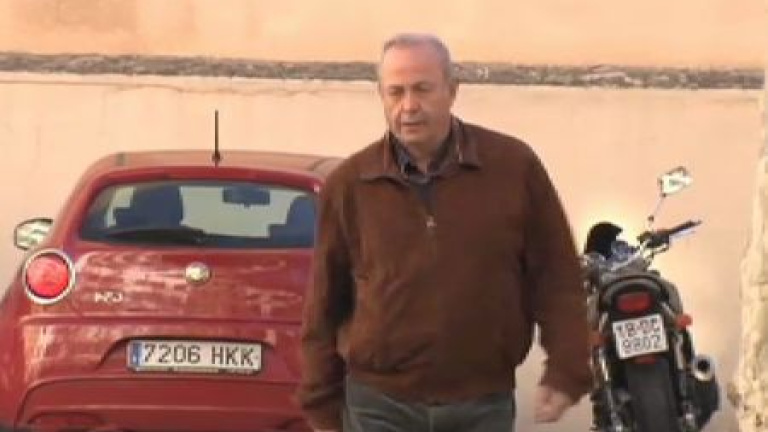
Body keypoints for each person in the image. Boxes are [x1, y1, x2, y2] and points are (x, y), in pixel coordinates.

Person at [297, 32, 591, 432]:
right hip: (379, 405)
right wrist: (320, 400)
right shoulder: (350, 184)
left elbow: (557, 275)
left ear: (452, 90)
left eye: (422, 89)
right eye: (395, 92)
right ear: (381, 97)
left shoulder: (511, 166)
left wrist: (567, 366)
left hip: (481, 403)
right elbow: (324, 301)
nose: (408, 106)